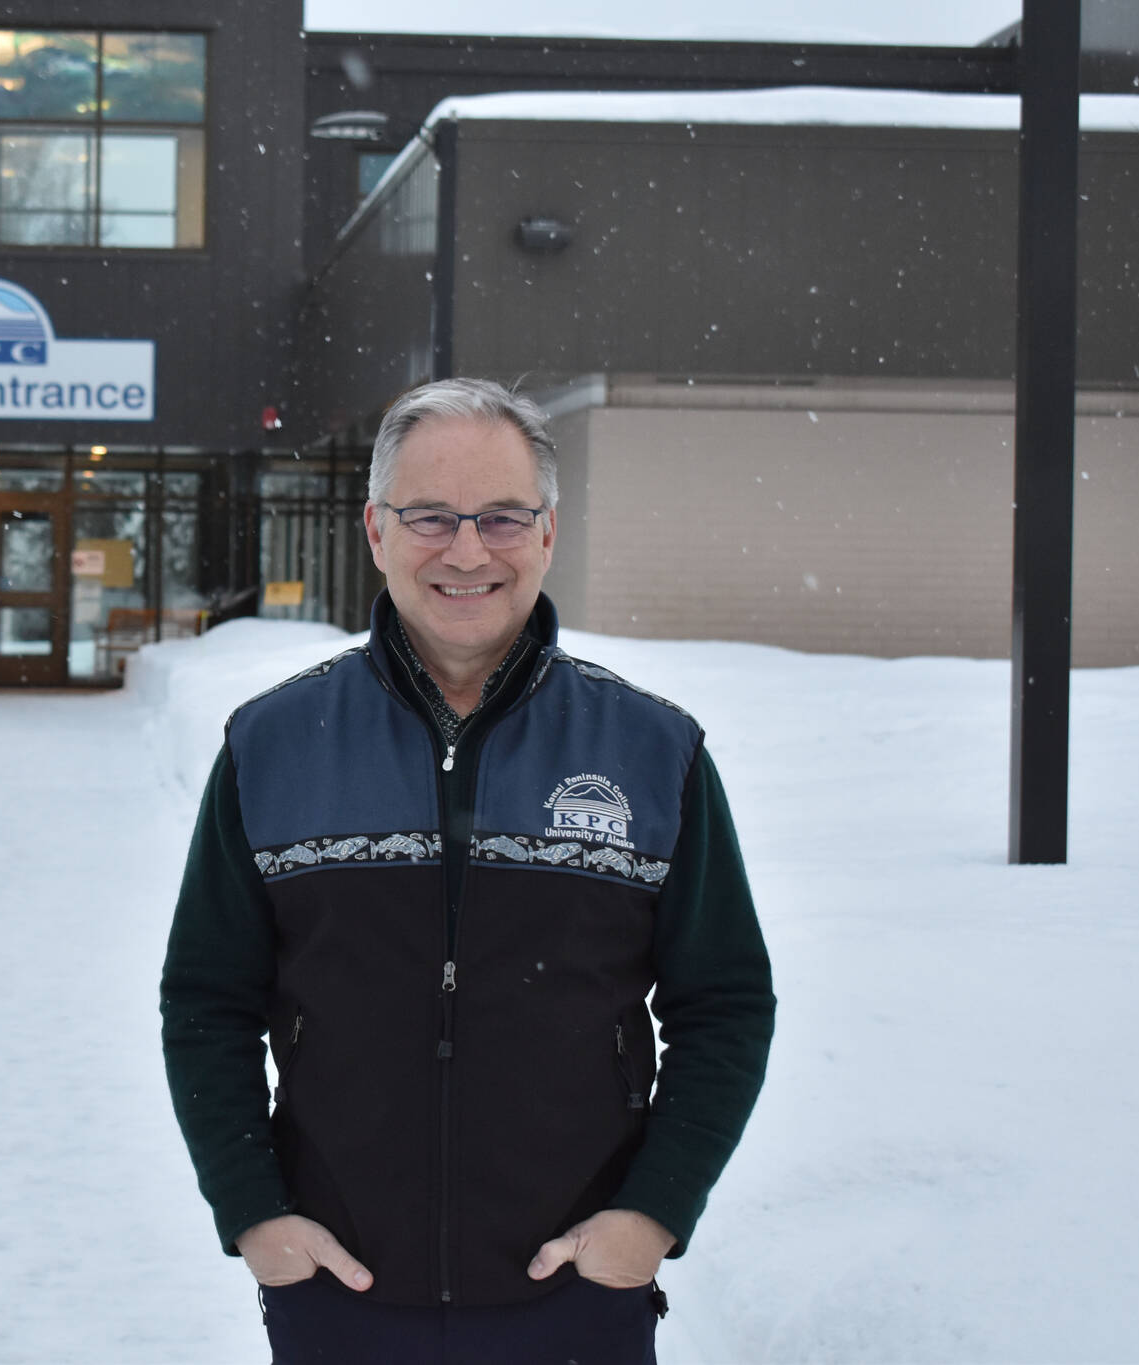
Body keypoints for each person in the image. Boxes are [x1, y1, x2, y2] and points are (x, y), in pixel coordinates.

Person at [160, 378, 775, 1364]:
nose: (464, 550)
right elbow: (205, 999)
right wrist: (254, 1215)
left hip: (575, 1296)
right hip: (337, 1296)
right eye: (429, 516)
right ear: (374, 529)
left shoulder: (652, 752)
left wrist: (646, 1220)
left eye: (498, 517)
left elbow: (725, 1003)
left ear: (544, 533)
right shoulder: (273, 746)